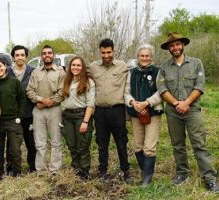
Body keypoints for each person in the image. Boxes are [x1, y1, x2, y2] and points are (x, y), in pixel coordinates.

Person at [157, 32, 219, 192]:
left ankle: (210, 178)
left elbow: (199, 86)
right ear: (169, 49)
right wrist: (175, 103)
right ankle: (182, 173)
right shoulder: (164, 67)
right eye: (172, 45)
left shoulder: (196, 63)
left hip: (192, 110)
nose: (175, 47)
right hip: (172, 112)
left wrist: (186, 103)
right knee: (178, 145)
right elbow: (162, 88)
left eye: (177, 44)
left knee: (199, 144)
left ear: (183, 45)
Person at [87, 38, 133, 183]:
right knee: (102, 144)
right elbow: (79, 75)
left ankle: (126, 171)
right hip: (100, 112)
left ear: (114, 50)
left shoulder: (123, 67)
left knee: (121, 142)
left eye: (109, 52)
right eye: (103, 52)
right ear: (99, 52)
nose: (106, 55)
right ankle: (102, 172)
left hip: (117, 111)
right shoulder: (93, 67)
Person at [124, 44, 163, 187]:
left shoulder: (158, 71)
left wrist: (147, 103)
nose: (145, 58)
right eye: (142, 56)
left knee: (149, 146)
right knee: (138, 145)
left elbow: (162, 92)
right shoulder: (131, 72)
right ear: (138, 57)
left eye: (147, 56)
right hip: (136, 112)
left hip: (153, 112)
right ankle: (143, 171)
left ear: (151, 57)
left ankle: (147, 179)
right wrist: (133, 102)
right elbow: (126, 91)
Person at [26, 45, 66, 175]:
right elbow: (29, 91)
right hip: (38, 112)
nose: (47, 55)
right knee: (40, 142)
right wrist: (41, 100)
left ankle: (55, 169)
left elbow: (62, 93)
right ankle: (41, 170)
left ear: (54, 55)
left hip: (55, 111)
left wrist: (45, 103)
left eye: (49, 53)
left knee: (56, 141)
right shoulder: (35, 72)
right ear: (41, 56)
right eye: (44, 53)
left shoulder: (61, 72)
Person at [61, 56, 95, 180]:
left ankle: (84, 172)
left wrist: (85, 121)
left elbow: (90, 104)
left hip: (81, 116)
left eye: (78, 65)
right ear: (70, 67)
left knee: (82, 146)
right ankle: (76, 169)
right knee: (72, 145)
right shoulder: (66, 80)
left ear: (83, 67)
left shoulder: (88, 82)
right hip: (68, 116)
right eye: (73, 65)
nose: (76, 67)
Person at [0, 58, 25, 177]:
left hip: (13, 120)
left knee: (14, 149)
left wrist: (20, 117)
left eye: (0, 66)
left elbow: (22, 99)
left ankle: (16, 173)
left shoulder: (14, 82)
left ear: (6, 66)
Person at [7, 45, 36, 173]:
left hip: (29, 113)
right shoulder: (7, 71)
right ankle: (11, 167)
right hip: (12, 115)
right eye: (17, 55)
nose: (20, 57)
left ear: (26, 57)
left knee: (31, 142)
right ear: (13, 57)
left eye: (22, 55)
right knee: (12, 144)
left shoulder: (32, 71)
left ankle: (33, 167)